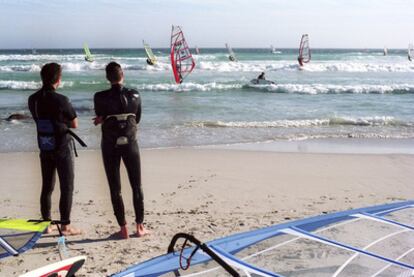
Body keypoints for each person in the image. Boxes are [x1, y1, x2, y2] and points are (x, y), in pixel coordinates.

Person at [93, 62, 148, 239]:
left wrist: (103, 119)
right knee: (136, 185)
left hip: (110, 144)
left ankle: (123, 229)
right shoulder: (136, 94)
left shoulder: (99, 96)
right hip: (131, 144)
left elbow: (100, 114)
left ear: (107, 78)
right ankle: (139, 227)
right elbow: (137, 119)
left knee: (115, 187)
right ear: (122, 74)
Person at [28, 63, 82, 236]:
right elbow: (74, 124)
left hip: (44, 145)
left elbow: (38, 119)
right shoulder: (62, 100)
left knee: (47, 186)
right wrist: (60, 122)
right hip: (61, 147)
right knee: (66, 186)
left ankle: (46, 225)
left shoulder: (33, 99)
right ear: (58, 79)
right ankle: (65, 226)